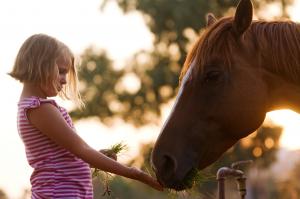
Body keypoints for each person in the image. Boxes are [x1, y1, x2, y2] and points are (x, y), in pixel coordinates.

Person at [9, 34, 163, 198]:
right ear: (41, 65)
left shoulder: (33, 107)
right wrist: (134, 173)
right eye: (61, 72)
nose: (64, 81)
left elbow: (67, 155)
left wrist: (97, 156)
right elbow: (80, 149)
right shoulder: (40, 108)